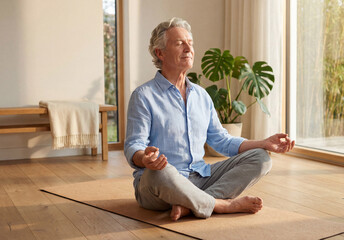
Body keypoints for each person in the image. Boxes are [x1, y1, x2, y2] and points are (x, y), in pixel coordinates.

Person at [124, 17, 295, 221]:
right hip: (160, 184)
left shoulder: (201, 96)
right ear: (159, 53)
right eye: (179, 43)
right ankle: (222, 205)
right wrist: (145, 158)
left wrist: (264, 143)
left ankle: (192, 204)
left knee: (261, 158)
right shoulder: (143, 96)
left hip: (200, 177)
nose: (189, 48)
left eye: (191, 43)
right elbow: (134, 144)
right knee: (160, 172)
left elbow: (221, 140)